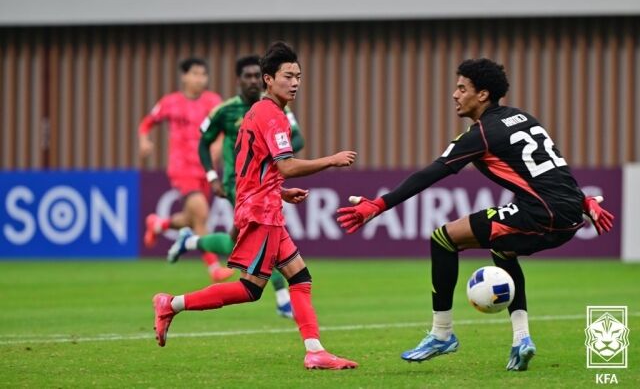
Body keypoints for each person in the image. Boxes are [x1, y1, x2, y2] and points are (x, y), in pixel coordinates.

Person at [336, 58, 614, 371]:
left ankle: (442, 334)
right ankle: (521, 339)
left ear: (482, 95)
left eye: (461, 88)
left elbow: (432, 172)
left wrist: (379, 205)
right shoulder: (525, 119)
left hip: (541, 213)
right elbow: (555, 171)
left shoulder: (481, 134)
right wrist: (585, 202)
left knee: (443, 238)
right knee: (503, 248)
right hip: (569, 216)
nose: (455, 94)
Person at [153, 41, 359, 370]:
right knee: (251, 289)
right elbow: (286, 165)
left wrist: (281, 192)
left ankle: (315, 350)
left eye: (298, 76)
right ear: (268, 79)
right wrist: (331, 160)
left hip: (264, 204)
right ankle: (171, 304)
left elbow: (258, 170)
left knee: (300, 278)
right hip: (261, 213)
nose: (295, 82)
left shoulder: (259, 113)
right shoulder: (271, 115)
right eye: (287, 76)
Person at [167, 55, 305, 318]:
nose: (253, 81)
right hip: (239, 184)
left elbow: (298, 138)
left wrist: (275, 148)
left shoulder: (279, 108)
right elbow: (203, 142)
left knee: (238, 242)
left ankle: (192, 240)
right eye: (248, 76)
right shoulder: (225, 110)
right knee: (265, 238)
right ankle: (282, 296)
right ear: (239, 80)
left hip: (265, 184)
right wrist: (212, 177)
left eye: (256, 75)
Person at [138, 58, 233, 283]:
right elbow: (147, 123)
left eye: (203, 75)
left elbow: (223, 128)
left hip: (206, 169)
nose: (200, 79)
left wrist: (219, 145)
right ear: (184, 76)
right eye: (195, 74)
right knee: (201, 213)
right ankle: (214, 268)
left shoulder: (213, 101)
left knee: (192, 220)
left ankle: (159, 224)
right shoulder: (170, 102)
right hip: (181, 168)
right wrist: (144, 140)